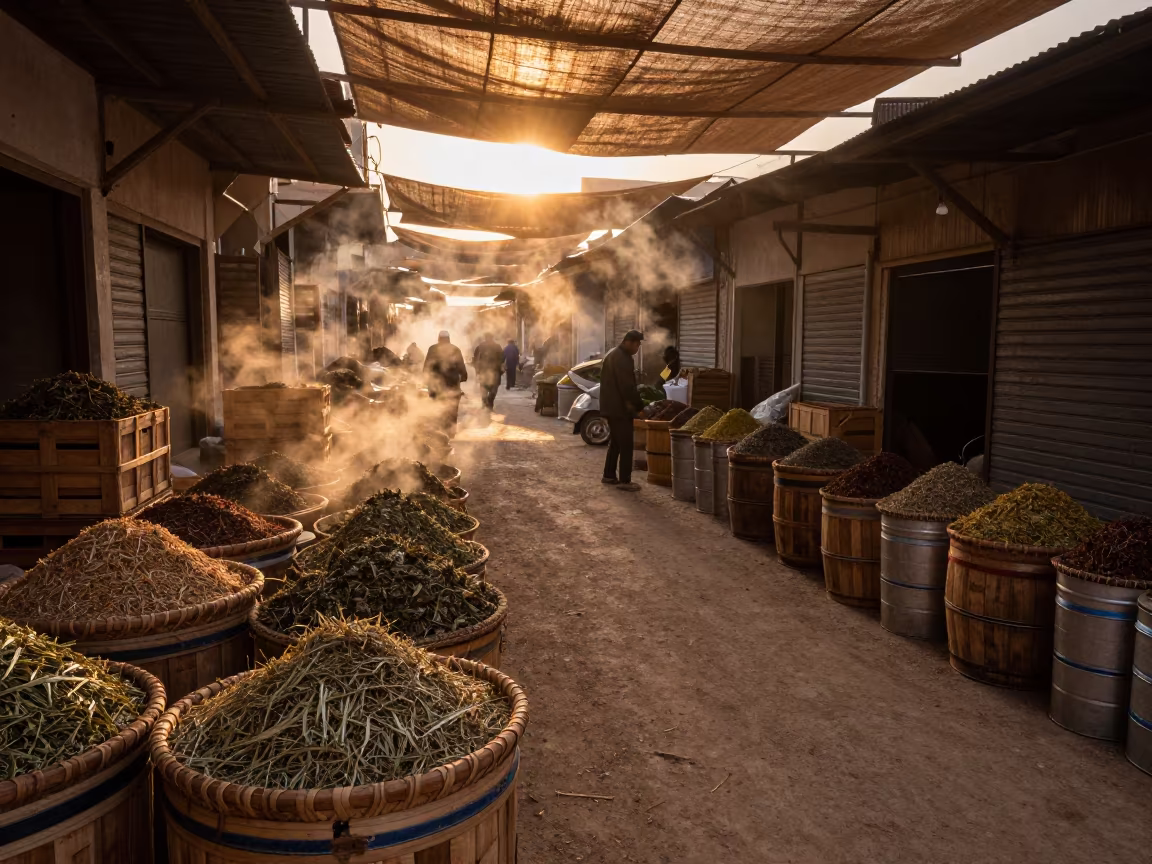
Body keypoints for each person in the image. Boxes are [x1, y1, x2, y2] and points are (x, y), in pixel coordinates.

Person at [599, 329, 645, 491]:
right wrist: (639, 406)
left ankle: (609, 475)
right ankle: (625, 481)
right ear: (629, 342)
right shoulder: (623, 358)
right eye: (637, 345)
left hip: (611, 407)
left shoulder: (614, 353)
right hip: (619, 408)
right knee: (626, 444)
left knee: (616, 443)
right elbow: (627, 387)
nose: (637, 349)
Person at [423, 331, 468, 434]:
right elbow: (461, 367)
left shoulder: (432, 349)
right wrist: (464, 377)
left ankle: (438, 432)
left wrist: (426, 380)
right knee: (452, 410)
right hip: (452, 385)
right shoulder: (455, 349)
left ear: (439, 338)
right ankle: (451, 432)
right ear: (449, 338)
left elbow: (426, 367)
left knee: (436, 408)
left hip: (435, 386)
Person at [473, 333, 504, 410]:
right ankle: (490, 402)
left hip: (483, 370)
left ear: (485, 337)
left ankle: (484, 403)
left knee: (483, 387)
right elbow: (502, 358)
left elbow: (475, 359)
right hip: (495, 370)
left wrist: (477, 370)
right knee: (494, 387)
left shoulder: (480, 347)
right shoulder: (497, 346)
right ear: (492, 337)